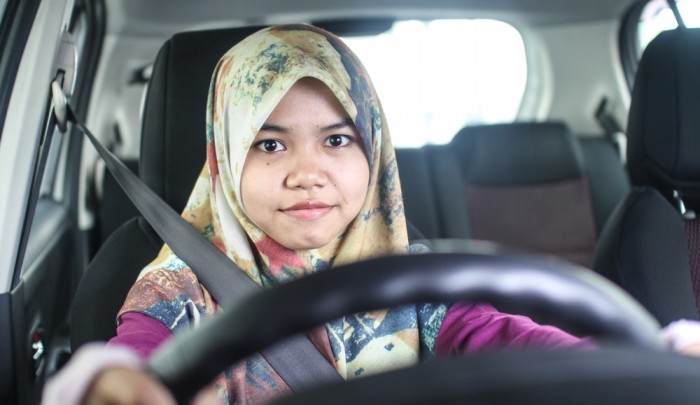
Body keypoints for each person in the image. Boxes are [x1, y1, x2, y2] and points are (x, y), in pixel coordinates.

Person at [43, 24, 700, 405]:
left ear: (375, 154)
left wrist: (639, 362)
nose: (308, 171)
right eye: (269, 145)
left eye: (337, 139)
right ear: (224, 157)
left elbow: (501, 335)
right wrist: (112, 383)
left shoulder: (411, 273)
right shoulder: (176, 284)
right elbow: (137, 359)